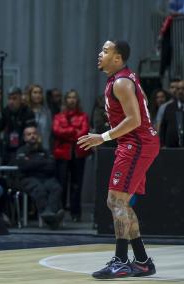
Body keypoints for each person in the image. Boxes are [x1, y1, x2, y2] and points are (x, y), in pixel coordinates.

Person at [78, 40, 159, 279]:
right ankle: (142, 261)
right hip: (137, 142)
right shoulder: (123, 78)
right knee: (120, 202)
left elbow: (134, 120)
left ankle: (122, 261)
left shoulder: (122, 82)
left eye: (105, 50)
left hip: (137, 143)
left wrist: (102, 137)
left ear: (117, 58)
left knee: (115, 201)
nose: (99, 53)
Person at [52, 89, 90, 222]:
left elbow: (84, 131)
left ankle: (76, 213)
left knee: (76, 185)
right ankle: (60, 212)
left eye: (74, 97)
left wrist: (68, 133)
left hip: (78, 154)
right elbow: (57, 131)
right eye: (69, 97)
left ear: (77, 100)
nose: (72, 100)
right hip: (62, 154)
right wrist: (74, 130)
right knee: (61, 184)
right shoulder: (58, 116)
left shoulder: (83, 116)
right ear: (65, 100)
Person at [16, 125, 64, 229]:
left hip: (46, 178)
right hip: (28, 178)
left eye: (34, 133)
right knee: (39, 189)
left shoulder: (45, 150)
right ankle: (52, 217)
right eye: (29, 134)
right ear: (24, 138)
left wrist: (33, 163)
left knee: (56, 187)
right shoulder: (21, 151)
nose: (32, 136)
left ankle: (50, 214)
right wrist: (41, 162)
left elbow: (52, 166)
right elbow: (24, 166)